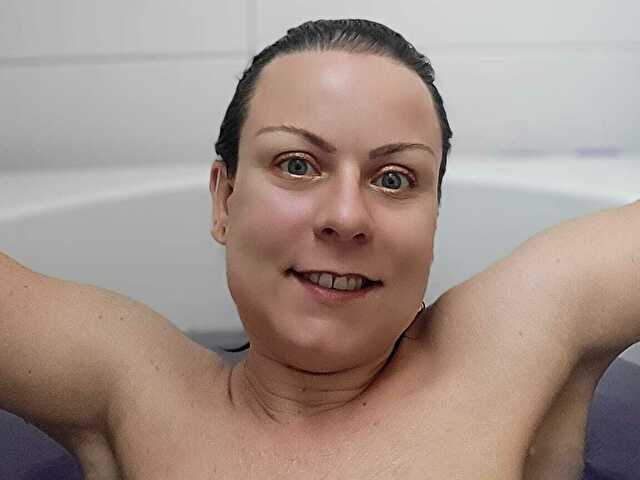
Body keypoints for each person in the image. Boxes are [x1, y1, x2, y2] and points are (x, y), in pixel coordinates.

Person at [0, 18, 638, 479]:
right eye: (297, 165)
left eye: (395, 179)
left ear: (435, 220)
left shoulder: (512, 346)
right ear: (225, 200)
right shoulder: (136, 385)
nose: (346, 217)